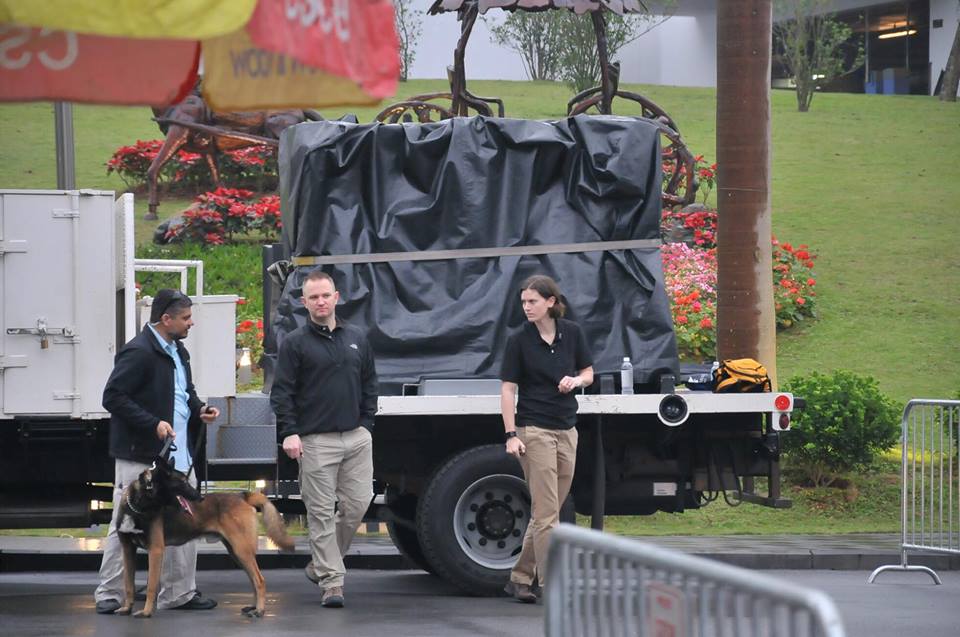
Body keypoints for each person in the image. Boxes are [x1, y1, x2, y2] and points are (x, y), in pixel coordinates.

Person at [94, 288, 221, 614]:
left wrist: (200, 409)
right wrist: (153, 424)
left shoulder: (178, 351)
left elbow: (185, 392)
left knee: (185, 520)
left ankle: (179, 593)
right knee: (125, 523)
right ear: (166, 319)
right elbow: (112, 397)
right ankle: (109, 592)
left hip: (178, 456)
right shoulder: (138, 352)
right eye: (186, 318)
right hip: (141, 456)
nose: (191, 323)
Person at [270, 270, 378, 608]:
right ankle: (332, 583)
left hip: (357, 438)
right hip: (316, 442)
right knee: (320, 513)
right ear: (304, 302)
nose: (320, 302)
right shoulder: (294, 343)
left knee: (358, 504)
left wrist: (366, 424)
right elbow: (282, 393)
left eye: (325, 295)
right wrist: (290, 432)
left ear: (337, 297)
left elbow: (370, 383)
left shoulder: (357, 337)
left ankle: (320, 564)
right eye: (313, 297)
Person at [500, 275, 594, 603]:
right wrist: (511, 435)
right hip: (534, 430)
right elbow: (508, 390)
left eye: (533, 301)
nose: (526, 307)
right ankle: (551, 584)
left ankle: (519, 578)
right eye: (523, 302)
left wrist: (576, 381)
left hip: (567, 429)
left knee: (547, 512)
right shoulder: (518, 340)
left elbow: (589, 372)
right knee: (546, 515)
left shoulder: (573, 333)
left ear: (551, 302)